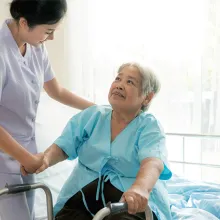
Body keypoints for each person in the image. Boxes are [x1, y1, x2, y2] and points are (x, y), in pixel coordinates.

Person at [28, 62, 173, 220]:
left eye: (130, 82)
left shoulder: (149, 126)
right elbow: (64, 146)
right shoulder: (92, 116)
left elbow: (152, 163)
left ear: (147, 97)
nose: (119, 85)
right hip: (83, 193)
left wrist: (140, 189)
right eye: (118, 79)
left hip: (129, 197)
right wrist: (46, 159)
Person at [0, 0, 94, 219]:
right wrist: (26, 158)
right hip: (6, 155)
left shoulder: (36, 47)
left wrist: (101, 110)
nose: (51, 38)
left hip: (27, 155)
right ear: (24, 23)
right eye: (48, 31)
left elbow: (56, 91)